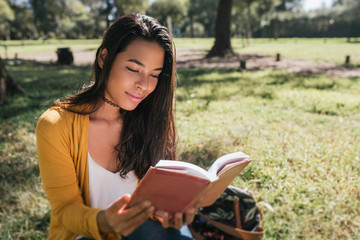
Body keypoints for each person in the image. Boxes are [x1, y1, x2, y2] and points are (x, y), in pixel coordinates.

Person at [36, 13, 195, 240]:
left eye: (154, 75)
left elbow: (156, 205)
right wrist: (105, 221)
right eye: (133, 69)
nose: (144, 85)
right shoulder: (56, 125)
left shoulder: (149, 118)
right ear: (103, 58)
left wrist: (174, 212)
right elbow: (64, 209)